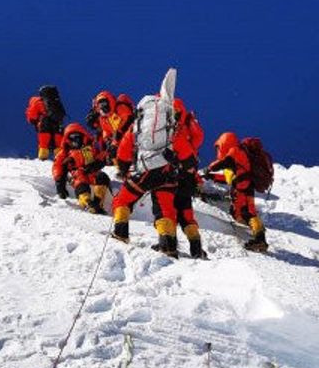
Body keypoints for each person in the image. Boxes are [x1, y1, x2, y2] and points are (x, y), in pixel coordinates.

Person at [110, 94, 180, 256]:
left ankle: (120, 234)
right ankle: (168, 246)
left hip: (146, 170)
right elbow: (184, 150)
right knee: (165, 208)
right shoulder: (171, 127)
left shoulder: (137, 127)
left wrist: (124, 169)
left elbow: (123, 151)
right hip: (168, 174)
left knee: (123, 199)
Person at [154, 98, 207, 258]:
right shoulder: (186, 129)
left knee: (164, 210)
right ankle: (196, 248)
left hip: (168, 174)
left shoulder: (167, 129)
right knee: (186, 214)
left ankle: (167, 244)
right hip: (187, 177)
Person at [204, 132, 268, 252]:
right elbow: (230, 177)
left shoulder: (235, 151)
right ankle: (260, 237)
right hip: (248, 185)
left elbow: (223, 163)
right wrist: (213, 177)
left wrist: (209, 168)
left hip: (241, 187)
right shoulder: (242, 154)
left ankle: (259, 239)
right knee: (250, 212)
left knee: (246, 213)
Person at [53, 123, 111, 213]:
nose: (75, 140)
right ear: (67, 140)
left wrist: (99, 163)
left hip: (91, 170)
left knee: (102, 177)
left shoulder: (90, 148)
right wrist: (59, 180)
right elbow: (57, 165)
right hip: (76, 172)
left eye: (77, 136)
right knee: (80, 180)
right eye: (71, 137)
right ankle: (86, 201)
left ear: (83, 136)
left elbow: (102, 155)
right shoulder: (65, 152)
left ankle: (98, 203)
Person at [25, 85, 66, 160]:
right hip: (57, 123)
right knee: (58, 142)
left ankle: (43, 158)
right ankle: (60, 158)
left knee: (44, 142)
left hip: (44, 124)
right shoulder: (56, 101)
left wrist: (35, 121)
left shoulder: (37, 101)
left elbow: (32, 116)